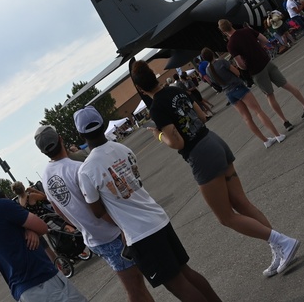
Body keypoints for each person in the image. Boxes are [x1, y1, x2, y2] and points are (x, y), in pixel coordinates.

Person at [127, 64, 302, 279]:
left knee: (225, 217)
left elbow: (178, 142)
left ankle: (283, 242)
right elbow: (201, 116)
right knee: (241, 203)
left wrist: (159, 136)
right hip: (213, 140)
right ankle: (279, 246)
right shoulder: (176, 90)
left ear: (140, 88)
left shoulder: (157, 108)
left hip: (200, 155)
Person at [73, 106, 225, 300]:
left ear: (80, 134)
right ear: (103, 124)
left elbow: (96, 210)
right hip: (157, 217)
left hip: (139, 233)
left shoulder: (86, 170)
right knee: (185, 271)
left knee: (175, 283)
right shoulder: (123, 148)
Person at [34, 125, 156, 302]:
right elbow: (99, 207)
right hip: (111, 234)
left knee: (137, 286)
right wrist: (121, 226)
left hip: (93, 238)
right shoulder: (77, 168)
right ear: (60, 139)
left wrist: (82, 225)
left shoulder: (45, 177)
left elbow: (59, 211)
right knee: (135, 288)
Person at [0, 165, 86, 301]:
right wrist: (31, 228)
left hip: (21, 290)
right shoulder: (1, 206)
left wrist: (27, 228)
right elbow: (42, 227)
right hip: (42, 281)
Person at [218, 20, 304, 131]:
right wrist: (259, 48)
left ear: (224, 32)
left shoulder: (231, 45)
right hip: (266, 62)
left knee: (270, 95)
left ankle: (285, 121)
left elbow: (241, 65)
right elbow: (265, 40)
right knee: (286, 84)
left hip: (256, 70)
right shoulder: (247, 30)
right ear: (231, 24)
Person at [200, 48, 283, 148]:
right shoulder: (222, 62)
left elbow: (214, 83)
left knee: (247, 118)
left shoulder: (208, 70)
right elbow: (237, 72)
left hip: (229, 93)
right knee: (258, 111)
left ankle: (265, 140)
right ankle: (277, 135)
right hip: (238, 87)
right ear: (212, 54)